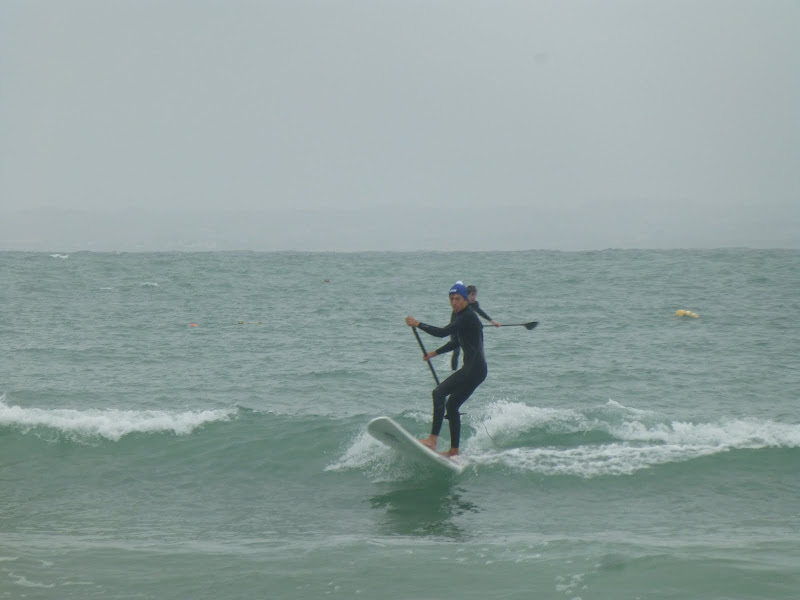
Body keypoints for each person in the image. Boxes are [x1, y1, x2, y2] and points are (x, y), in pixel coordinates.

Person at [405, 281, 488, 457]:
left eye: (458, 299)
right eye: (451, 299)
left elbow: (442, 332)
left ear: (466, 300)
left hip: (473, 369)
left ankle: (432, 440)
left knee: (438, 393)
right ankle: (454, 451)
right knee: (451, 405)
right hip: (477, 370)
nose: (454, 302)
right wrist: (435, 353)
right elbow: (456, 342)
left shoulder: (467, 316)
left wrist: (418, 323)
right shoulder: (460, 316)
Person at [450, 284, 501, 370]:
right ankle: (453, 371)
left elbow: (479, 313)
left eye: (475, 295)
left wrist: (492, 321)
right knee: (456, 350)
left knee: (469, 349)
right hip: (455, 329)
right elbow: (456, 320)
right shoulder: (462, 305)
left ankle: (468, 368)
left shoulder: (474, 304)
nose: (474, 297)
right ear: (467, 295)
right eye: (472, 295)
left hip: (466, 331)